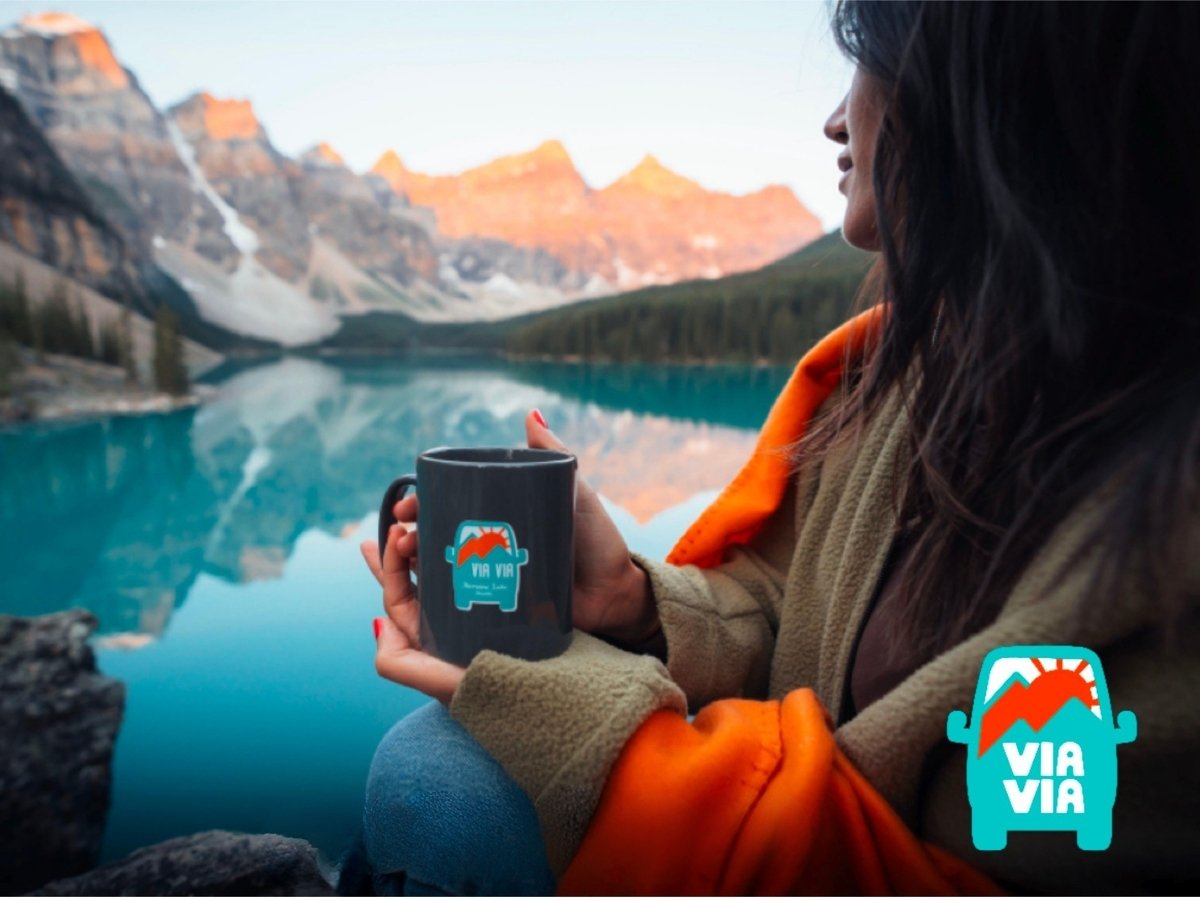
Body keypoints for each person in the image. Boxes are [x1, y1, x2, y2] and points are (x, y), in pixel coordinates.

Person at [350, 1, 1200, 894]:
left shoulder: (1172, 530)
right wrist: (635, 604)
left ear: (994, 90)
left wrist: (588, 725)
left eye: (867, 66)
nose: (837, 119)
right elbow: (789, 612)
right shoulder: (899, 377)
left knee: (432, 773)